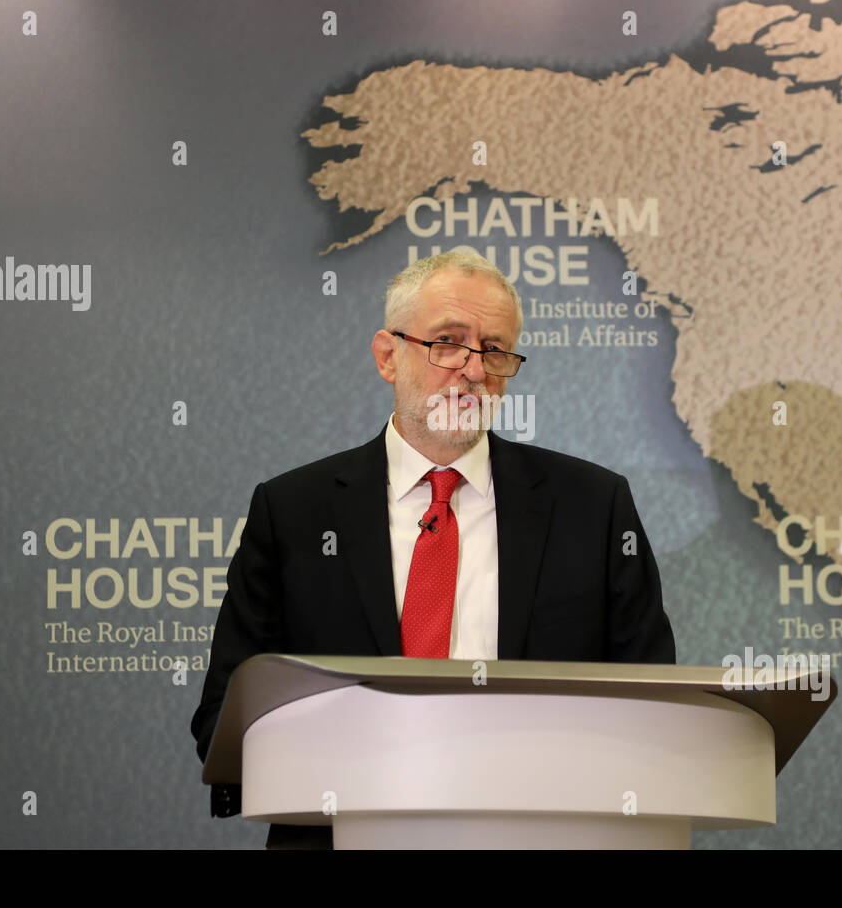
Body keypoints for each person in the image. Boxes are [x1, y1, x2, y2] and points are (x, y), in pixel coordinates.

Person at [191, 250, 675, 848]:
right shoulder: (293, 511)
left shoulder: (593, 507)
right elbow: (224, 722)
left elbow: (653, 705)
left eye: (495, 350)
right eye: (447, 341)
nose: (472, 370)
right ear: (388, 356)